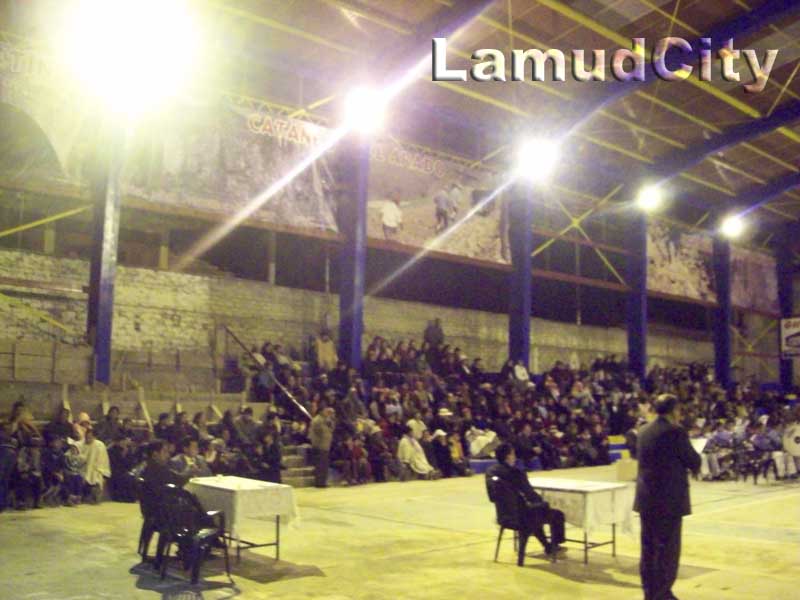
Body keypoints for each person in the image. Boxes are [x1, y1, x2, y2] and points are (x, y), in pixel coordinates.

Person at [634, 394, 701, 600]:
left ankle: (649, 592)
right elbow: (693, 460)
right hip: (668, 501)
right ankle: (662, 594)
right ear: (674, 411)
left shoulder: (643, 430)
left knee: (648, 548)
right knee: (667, 550)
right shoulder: (675, 431)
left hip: (646, 498)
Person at [485, 442, 566, 559]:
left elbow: (492, 497)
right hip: (521, 517)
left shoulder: (490, 472)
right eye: (513, 454)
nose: (514, 457)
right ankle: (554, 545)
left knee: (534, 513)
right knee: (555, 514)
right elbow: (530, 494)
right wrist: (543, 503)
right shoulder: (516, 473)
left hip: (503, 516)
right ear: (508, 456)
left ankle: (547, 545)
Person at [310, 407, 334, 487]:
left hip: (325, 446)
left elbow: (331, 429)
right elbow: (320, 432)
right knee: (320, 465)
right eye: (326, 411)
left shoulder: (326, 420)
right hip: (319, 445)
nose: (327, 413)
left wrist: (330, 421)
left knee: (324, 466)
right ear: (321, 411)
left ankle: (323, 482)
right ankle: (319, 482)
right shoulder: (317, 420)